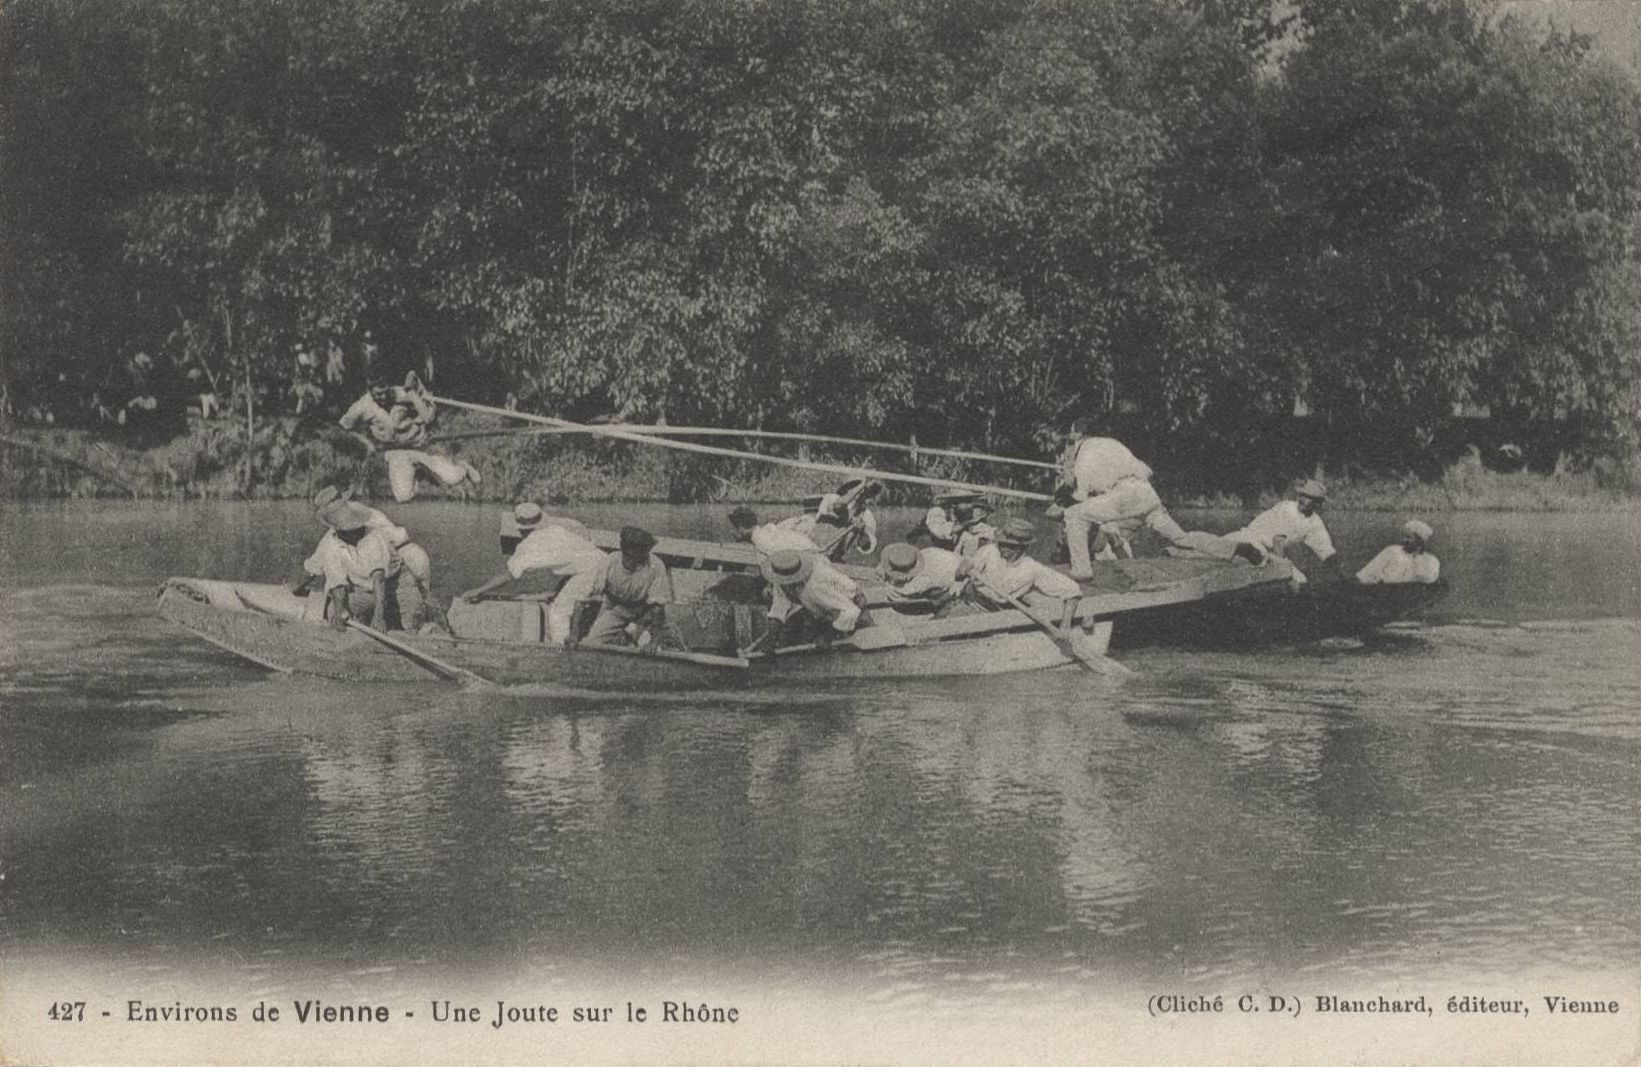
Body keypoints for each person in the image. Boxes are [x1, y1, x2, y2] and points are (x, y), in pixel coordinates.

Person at [1053, 426, 1194, 578]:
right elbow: (1147, 470)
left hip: (1125, 491)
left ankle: (1082, 570)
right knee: (1181, 538)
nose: (1066, 461)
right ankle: (1221, 548)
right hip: (1146, 490)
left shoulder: (1082, 459)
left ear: (1070, 447)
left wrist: (1060, 505)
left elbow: (1078, 499)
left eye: (1065, 457)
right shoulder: (1108, 443)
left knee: (1073, 515)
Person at [460, 502, 609, 644]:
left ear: (520, 528)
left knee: (559, 611)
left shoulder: (528, 545)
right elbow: (574, 562)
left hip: (590, 572)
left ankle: (560, 654)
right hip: (606, 562)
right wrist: (559, 589)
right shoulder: (555, 530)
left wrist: (478, 590)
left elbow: (508, 575)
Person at [339, 368, 481, 503]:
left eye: (385, 392)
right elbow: (345, 426)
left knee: (454, 478)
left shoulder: (403, 393)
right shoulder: (361, 406)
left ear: (389, 386)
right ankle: (420, 472)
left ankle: (464, 466)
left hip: (420, 446)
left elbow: (428, 416)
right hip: (395, 451)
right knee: (403, 497)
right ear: (369, 391)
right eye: (378, 394)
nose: (383, 397)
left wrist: (413, 396)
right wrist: (366, 442)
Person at [293, 501, 423, 632]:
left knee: (412, 627)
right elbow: (338, 583)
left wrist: (379, 617)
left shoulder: (374, 539)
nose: (341, 533)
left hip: (397, 586)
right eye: (340, 529)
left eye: (346, 529)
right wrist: (339, 611)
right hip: (365, 590)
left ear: (357, 528)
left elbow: (379, 580)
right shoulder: (332, 544)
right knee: (333, 612)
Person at [311, 485, 432, 602]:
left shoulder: (344, 524)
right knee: (422, 597)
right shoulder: (365, 511)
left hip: (399, 561)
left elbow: (320, 558)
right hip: (412, 553)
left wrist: (311, 574)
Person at [968, 518, 1083, 630]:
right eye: (1002, 544)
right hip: (972, 600)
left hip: (997, 610)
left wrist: (1065, 625)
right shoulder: (989, 550)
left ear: (1023, 547)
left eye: (1011, 546)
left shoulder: (1031, 568)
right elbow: (962, 572)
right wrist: (964, 567)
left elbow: (1072, 590)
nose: (1004, 548)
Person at [581, 526, 675, 648]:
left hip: (645, 610)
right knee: (591, 643)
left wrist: (654, 642)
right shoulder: (609, 562)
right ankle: (628, 633)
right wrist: (574, 634)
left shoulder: (656, 565)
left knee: (661, 646)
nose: (634, 561)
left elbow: (658, 609)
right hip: (617, 609)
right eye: (630, 556)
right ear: (624, 551)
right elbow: (583, 600)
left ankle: (636, 633)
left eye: (641, 556)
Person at [1224, 479, 1338, 577]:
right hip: (1248, 540)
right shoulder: (1288, 508)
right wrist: (1280, 570)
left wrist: (1342, 578)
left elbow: (1327, 553)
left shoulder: (1315, 523)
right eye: (1301, 495)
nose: (1302, 499)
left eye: (1308, 497)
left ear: (1317, 503)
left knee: (1300, 579)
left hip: (1264, 553)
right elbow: (1278, 541)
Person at [761, 549, 865, 647]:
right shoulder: (782, 581)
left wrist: (828, 636)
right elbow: (778, 608)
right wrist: (771, 638)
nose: (784, 586)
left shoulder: (816, 586)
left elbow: (851, 611)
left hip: (849, 613)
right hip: (820, 612)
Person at [877, 542, 970, 609]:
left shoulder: (916, 584)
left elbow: (897, 594)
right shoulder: (927, 552)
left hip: (957, 583)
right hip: (960, 563)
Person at [812, 479, 882, 559]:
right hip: (820, 533)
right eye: (862, 492)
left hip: (834, 546)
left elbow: (868, 541)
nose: (863, 495)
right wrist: (862, 486)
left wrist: (861, 529)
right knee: (843, 513)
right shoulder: (832, 498)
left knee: (853, 528)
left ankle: (835, 555)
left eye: (868, 495)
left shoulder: (867, 516)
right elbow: (840, 505)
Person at [1356, 520, 1441, 585]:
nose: (1404, 540)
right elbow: (1367, 573)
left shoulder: (1431, 560)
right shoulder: (1392, 551)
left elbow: (1428, 580)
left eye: (1408, 537)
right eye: (1404, 536)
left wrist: (1417, 558)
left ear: (1419, 541)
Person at [729, 506, 821, 555]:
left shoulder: (762, 543)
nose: (732, 531)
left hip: (811, 556)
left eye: (734, 528)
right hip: (812, 549)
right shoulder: (768, 529)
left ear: (742, 528)